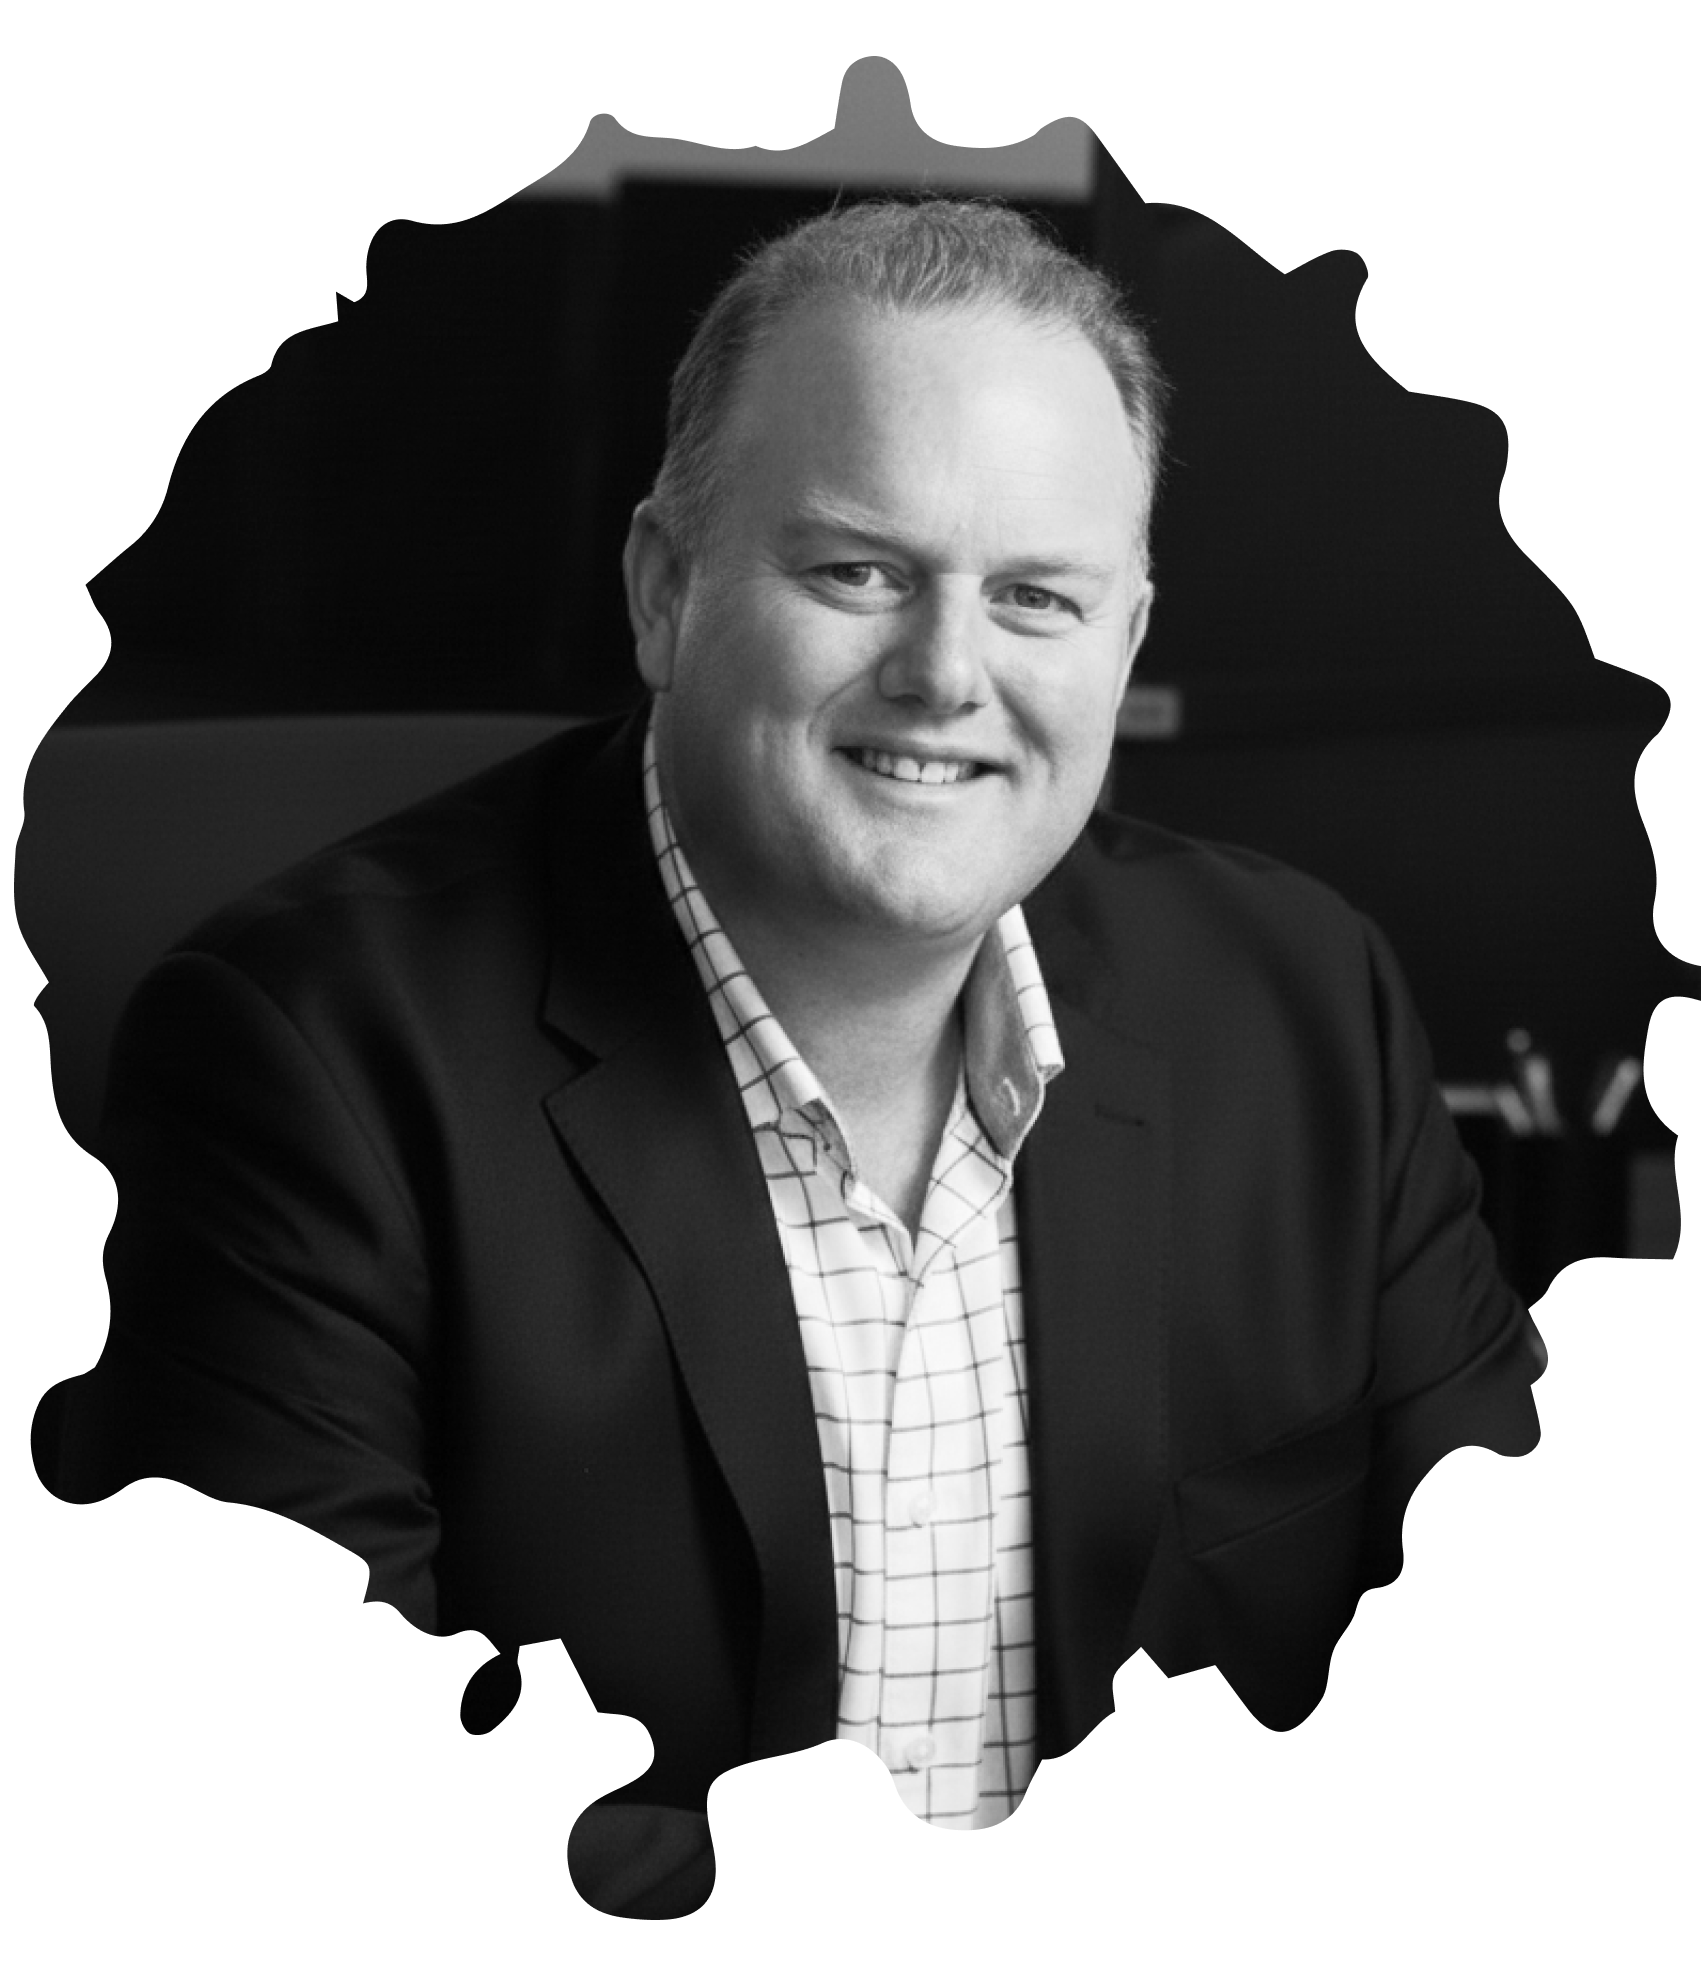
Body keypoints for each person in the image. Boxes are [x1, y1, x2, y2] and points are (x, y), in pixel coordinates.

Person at [57, 196, 1545, 1913]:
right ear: (662, 590)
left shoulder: (1301, 999)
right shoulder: (309, 1055)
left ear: (1126, 642)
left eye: (1036, 598)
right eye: (858, 572)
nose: (945, 675)